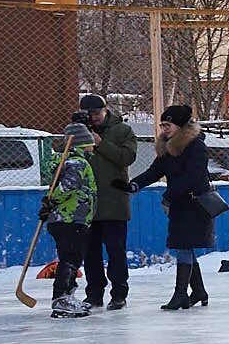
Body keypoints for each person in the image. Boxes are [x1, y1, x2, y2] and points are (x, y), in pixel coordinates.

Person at [124, 105, 215, 310]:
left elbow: (193, 177)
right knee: (185, 246)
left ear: (181, 126)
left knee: (183, 246)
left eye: (168, 125)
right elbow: (154, 171)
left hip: (194, 203)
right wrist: (134, 184)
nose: (164, 129)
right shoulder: (167, 148)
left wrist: (168, 195)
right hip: (179, 204)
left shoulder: (195, 147)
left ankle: (181, 294)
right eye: (162, 125)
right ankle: (198, 291)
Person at [77, 94, 136, 310]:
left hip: (114, 202)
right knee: (90, 253)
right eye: (89, 115)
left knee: (115, 251)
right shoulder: (78, 131)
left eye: (96, 114)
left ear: (105, 110)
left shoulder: (122, 131)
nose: (94, 119)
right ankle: (94, 293)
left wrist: (101, 144)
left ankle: (119, 293)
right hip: (87, 205)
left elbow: (127, 157)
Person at [41, 122, 98, 319]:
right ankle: (61, 299)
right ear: (82, 144)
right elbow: (68, 187)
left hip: (66, 218)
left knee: (71, 257)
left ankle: (67, 296)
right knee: (71, 258)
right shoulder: (78, 163)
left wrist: (50, 204)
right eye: (90, 143)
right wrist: (52, 201)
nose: (93, 147)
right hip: (71, 218)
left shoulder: (65, 161)